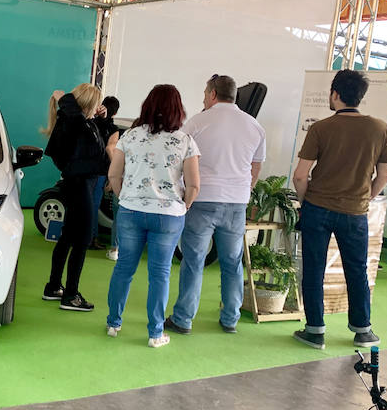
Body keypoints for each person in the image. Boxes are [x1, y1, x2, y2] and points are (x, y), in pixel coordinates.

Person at [291, 69, 387, 350]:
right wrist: (366, 198)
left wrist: (305, 201)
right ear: (360, 97)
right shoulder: (380, 129)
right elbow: (384, 175)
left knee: (313, 269)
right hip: (356, 212)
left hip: (318, 208)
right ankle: (363, 329)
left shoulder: (320, 128)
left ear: (334, 94)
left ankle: (315, 330)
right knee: (356, 270)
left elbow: (300, 175)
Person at [165, 75, 266, 335]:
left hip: (202, 199)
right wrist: (245, 189)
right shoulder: (254, 126)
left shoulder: (198, 121)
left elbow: (179, 158)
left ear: (212, 94)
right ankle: (230, 319)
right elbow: (256, 167)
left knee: (193, 260)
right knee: (232, 263)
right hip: (236, 202)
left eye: (204, 93)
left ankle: (183, 319)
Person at [106, 85, 200, 347]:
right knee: (160, 274)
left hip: (131, 210)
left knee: (124, 268)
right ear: (177, 109)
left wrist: (123, 196)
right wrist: (184, 205)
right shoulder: (185, 141)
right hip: (168, 215)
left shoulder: (130, 137)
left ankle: (114, 322)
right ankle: (155, 333)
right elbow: (193, 185)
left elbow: (114, 174)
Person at [42, 84, 108, 311]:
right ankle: (70, 295)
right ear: (87, 105)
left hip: (79, 184)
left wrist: (100, 118)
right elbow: (84, 133)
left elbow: (94, 145)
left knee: (69, 236)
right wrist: (66, 100)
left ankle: (53, 286)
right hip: (80, 186)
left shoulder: (80, 124)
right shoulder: (74, 122)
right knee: (82, 239)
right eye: (96, 103)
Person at [90, 96, 120, 252]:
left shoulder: (92, 122)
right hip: (101, 171)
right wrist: (113, 175)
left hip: (86, 169)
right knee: (94, 205)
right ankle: (92, 238)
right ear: (115, 113)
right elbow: (110, 149)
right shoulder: (113, 130)